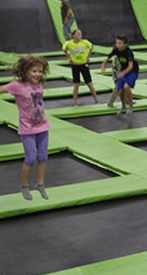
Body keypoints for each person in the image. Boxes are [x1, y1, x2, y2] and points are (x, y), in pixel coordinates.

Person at [0, 55, 50, 200]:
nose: (38, 74)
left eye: (40, 71)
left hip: (43, 126)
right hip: (27, 129)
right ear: (25, 71)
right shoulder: (17, 85)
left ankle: (40, 184)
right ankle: (24, 186)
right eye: (34, 71)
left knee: (43, 157)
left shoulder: (39, 84)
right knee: (30, 158)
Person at [100, 35, 139, 116]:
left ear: (125, 44)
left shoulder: (129, 52)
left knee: (126, 87)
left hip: (132, 71)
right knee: (120, 89)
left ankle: (130, 106)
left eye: (120, 43)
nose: (118, 45)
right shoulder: (116, 49)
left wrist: (123, 73)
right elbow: (106, 59)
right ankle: (123, 106)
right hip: (122, 70)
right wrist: (103, 66)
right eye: (117, 43)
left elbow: (130, 66)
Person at [62, 28, 99, 105]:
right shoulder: (69, 43)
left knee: (89, 83)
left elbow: (91, 47)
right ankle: (75, 102)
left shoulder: (85, 42)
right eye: (78, 34)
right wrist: (69, 58)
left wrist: (88, 57)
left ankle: (96, 100)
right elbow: (64, 49)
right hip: (75, 66)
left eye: (80, 34)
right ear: (73, 35)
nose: (80, 35)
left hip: (83, 65)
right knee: (76, 84)